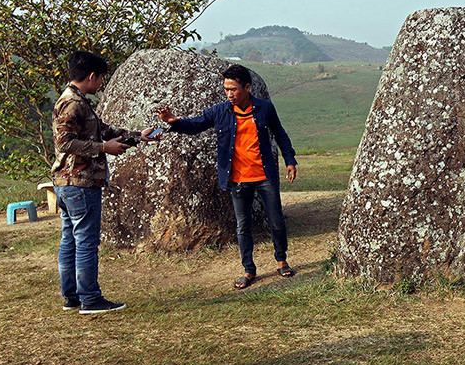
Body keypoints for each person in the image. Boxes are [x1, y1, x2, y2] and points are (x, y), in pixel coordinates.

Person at [157, 64, 298, 289]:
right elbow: (196, 125)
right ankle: (248, 270)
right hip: (239, 178)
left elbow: (280, 134)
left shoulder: (265, 109)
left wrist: (289, 160)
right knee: (243, 226)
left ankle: (281, 260)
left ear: (247, 87)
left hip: (265, 175)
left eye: (233, 89)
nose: (229, 94)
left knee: (276, 221)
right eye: (226, 89)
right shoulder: (219, 111)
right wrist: (174, 122)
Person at [52, 51, 160, 314]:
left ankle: (73, 296)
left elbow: (101, 129)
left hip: (66, 182)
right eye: (100, 78)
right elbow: (64, 142)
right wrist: (103, 148)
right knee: (86, 241)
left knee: (71, 239)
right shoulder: (73, 104)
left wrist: (137, 136)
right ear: (91, 76)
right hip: (80, 181)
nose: (101, 83)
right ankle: (89, 298)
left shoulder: (75, 101)